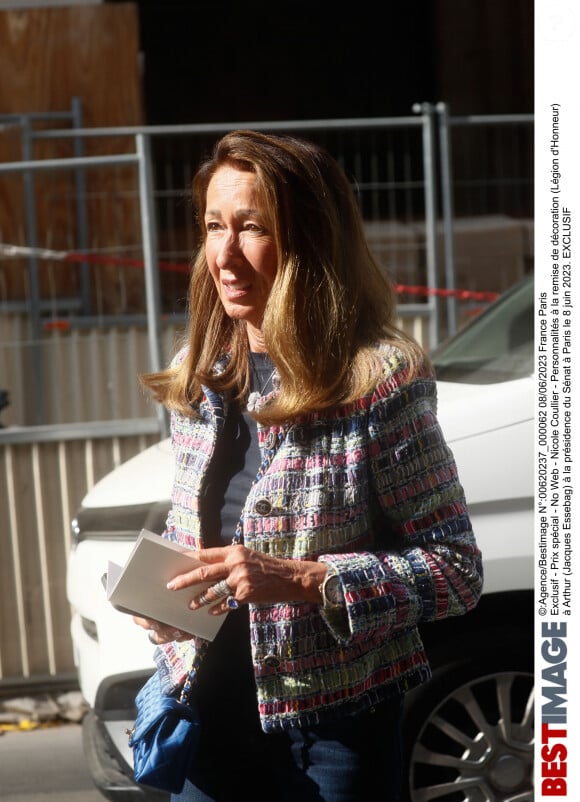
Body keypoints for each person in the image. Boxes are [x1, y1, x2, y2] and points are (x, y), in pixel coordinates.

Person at [134, 129, 483, 802]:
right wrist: (166, 599)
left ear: (309, 240)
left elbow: (456, 571)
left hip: (333, 740)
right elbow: (203, 546)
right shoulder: (198, 380)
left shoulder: (379, 381)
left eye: (253, 228)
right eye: (213, 227)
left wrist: (304, 579)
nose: (225, 256)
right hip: (204, 718)